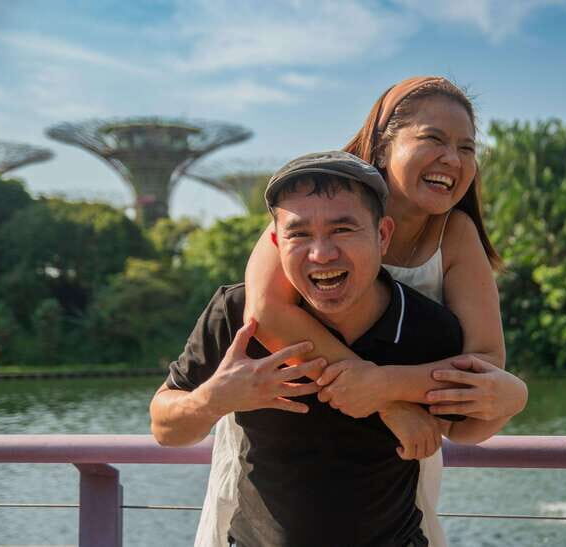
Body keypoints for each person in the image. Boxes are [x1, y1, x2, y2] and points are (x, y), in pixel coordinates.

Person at [197, 77, 528, 547]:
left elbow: (486, 368)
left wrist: (386, 387)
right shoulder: (318, 203)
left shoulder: (454, 234)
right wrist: (388, 402)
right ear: (382, 143)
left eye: (466, 148)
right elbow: (266, 313)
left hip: (390, 463)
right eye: (432, 139)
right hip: (281, 460)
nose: (452, 160)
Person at [151, 151, 489, 546]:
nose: (322, 253)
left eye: (343, 230)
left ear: (382, 235)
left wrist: (392, 393)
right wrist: (213, 399)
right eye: (299, 234)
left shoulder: (427, 330)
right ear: (276, 242)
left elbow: (475, 420)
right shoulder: (238, 316)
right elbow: (164, 426)